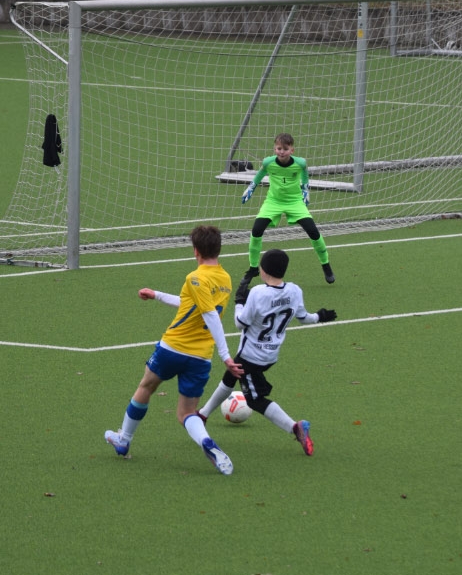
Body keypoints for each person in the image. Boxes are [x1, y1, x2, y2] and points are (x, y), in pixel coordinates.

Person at [104, 225, 245, 475]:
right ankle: (206, 442)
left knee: (146, 387)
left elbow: (210, 314)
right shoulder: (225, 278)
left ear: (195, 250)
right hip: (200, 357)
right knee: (186, 413)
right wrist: (157, 295)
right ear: (218, 249)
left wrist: (226, 356)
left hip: (173, 347)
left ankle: (124, 439)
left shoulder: (195, 277)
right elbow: (192, 304)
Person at [198, 248, 337, 456]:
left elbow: (240, 323)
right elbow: (304, 318)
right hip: (271, 354)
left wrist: (239, 302)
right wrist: (320, 316)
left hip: (252, 356)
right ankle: (203, 415)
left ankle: (295, 428)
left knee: (254, 400)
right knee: (231, 374)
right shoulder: (294, 290)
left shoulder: (258, 293)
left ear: (263, 270)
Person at [239, 132, 334, 289]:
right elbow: (260, 173)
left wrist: (305, 189)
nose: (281, 152)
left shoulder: (300, 163)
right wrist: (251, 188)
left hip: (294, 202)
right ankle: (253, 268)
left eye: (285, 149)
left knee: (313, 231)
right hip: (273, 202)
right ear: (274, 149)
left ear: (292, 150)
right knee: (256, 230)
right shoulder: (268, 162)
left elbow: (304, 173)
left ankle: (326, 264)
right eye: (278, 148)